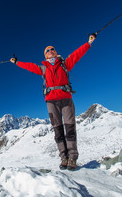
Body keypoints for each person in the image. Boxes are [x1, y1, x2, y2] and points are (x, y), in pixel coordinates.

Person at [10, 34, 96, 170]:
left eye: (52, 49)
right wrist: (16, 62)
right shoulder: (42, 68)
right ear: (45, 56)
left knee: (70, 128)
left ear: (56, 52)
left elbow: (77, 54)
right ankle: (64, 157)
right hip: (51, 101)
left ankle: (72, 158)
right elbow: (29, 66)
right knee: (58, 130)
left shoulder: (65, 64)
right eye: (47, 51)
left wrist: (89, 43)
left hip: (66, 98)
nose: (50, 51)